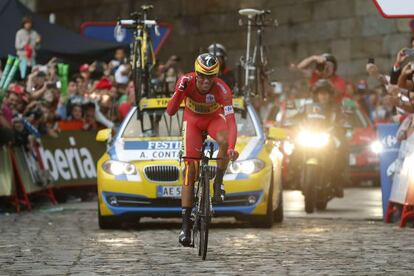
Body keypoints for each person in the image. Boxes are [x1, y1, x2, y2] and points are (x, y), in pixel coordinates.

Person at [166, 53, 239, 247]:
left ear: (216, 76)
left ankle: (218, 184)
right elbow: (171, 111)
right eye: (202, 76)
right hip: (192, 121)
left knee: (224, 140)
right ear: (196, 73)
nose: (206, 81)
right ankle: (185, 225)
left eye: (210, 77)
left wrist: (232, 148)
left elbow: (231, 122)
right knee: (190, 168)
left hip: (214, 119)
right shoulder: (185, 81)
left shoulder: (223, 90)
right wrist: (179, 91)